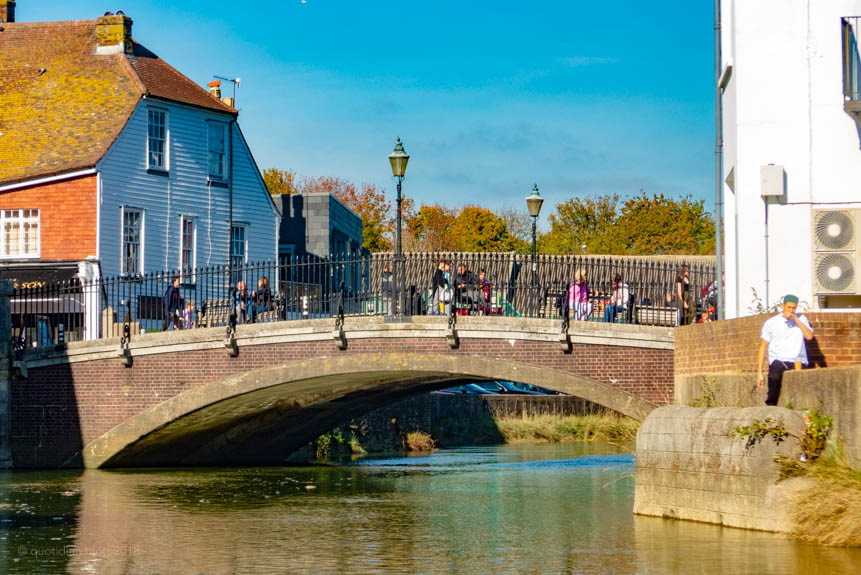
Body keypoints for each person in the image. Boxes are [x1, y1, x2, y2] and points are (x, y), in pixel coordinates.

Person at [756, 294, 814, 406]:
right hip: (779, 359)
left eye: (794, 308)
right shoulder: (771, 322)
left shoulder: (802, 319)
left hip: (798, 359)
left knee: (802, 382)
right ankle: (771, 406)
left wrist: (796, 319)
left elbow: (809, 336)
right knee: (774, 377)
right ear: (783, 306)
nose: (791, 310)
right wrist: (759, 372)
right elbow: (763, 346)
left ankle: (802, 408)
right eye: (789, 307)